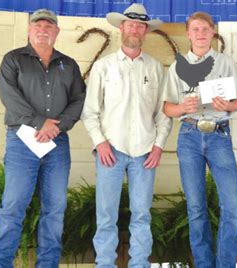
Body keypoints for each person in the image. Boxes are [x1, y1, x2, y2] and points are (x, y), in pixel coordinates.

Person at [0, 9, 86, 267]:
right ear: (29, 30)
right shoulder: (13, 60)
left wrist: (58, 126)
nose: (43, 29)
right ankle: (1, 264)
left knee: (55, 210)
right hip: (22, 140)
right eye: (38, 25)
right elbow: (9, 96)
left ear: (56, 31)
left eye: (49, 26)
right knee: (13, 207)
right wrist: (39, 122)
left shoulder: (69, 64)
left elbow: (79, 98)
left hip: (57, 143)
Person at [80, 3, 172, 267]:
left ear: (146, 31)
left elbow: (162, 113)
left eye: (141, 25)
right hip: (110, 150)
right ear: (122, 28)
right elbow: (90, 111)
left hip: (145, 152)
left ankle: (139, 263)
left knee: (142, 214)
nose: (135, 29)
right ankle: (105, 264)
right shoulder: (103, 67)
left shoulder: (155, 69)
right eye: (131, 24)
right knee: (106, 215)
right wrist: (100, 142)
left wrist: (158, 146)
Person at [163, 11, 237, 267]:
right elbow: (167, 107)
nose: (200, 34)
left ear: (213, 32)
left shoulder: (225, 62)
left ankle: (225, 264)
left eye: (205, 29)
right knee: (196, 208)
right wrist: (182, 109)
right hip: (189, 135)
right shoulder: (177, 66)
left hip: (219, 135)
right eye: (195, 29)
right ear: (188, 33)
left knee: (231, 206)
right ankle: (202, 263)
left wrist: (229, 105)